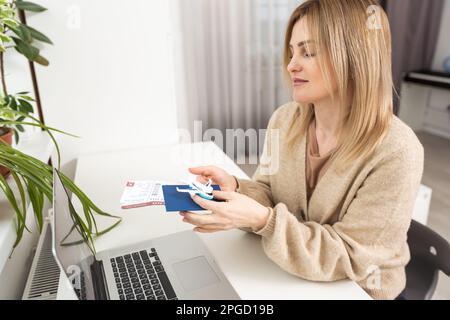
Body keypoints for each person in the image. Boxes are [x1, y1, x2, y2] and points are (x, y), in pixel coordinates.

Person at [179, 0, 424, 300]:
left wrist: (263, 221)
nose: (291, 64)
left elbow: (349, 258)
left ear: (354, 57)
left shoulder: (397, 151)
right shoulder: (284, 120)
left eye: (308, 52)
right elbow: (268, 191)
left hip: (357, 291)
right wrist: (237, 188)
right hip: (289, 279)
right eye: (292, 51)